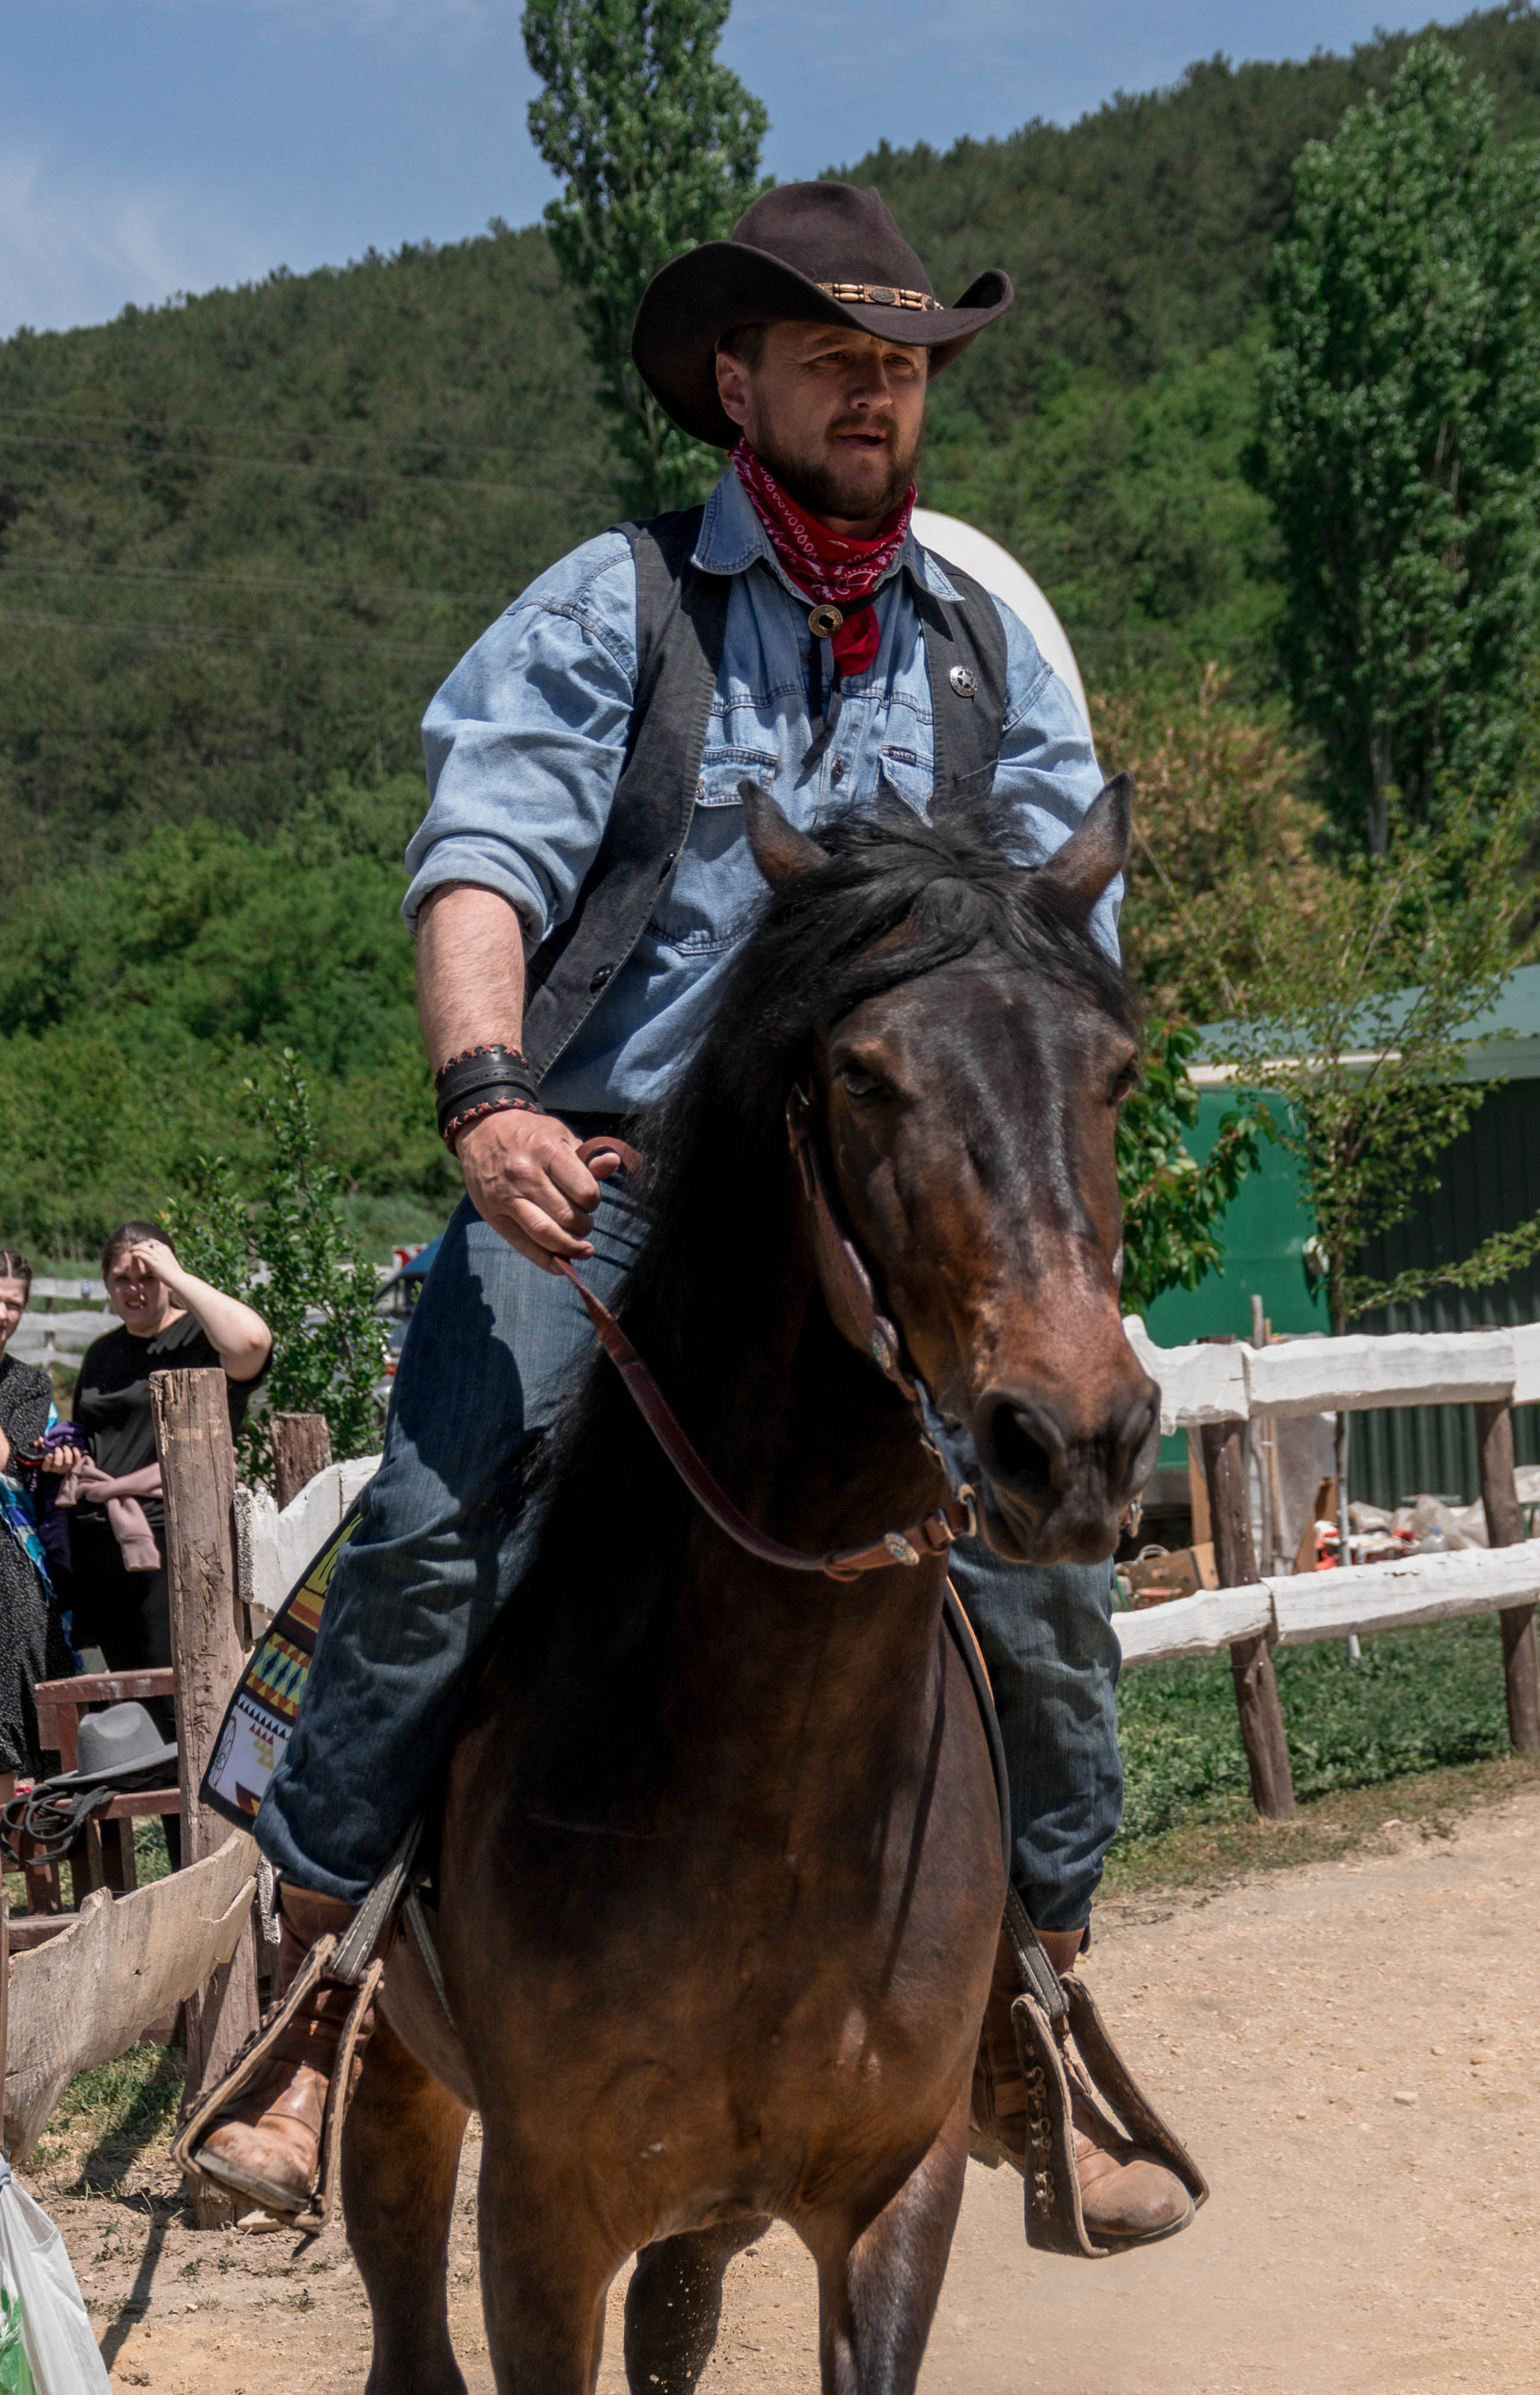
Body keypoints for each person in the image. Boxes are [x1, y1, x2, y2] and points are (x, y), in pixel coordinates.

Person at [203, 181, 1191, 2250]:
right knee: (438, 1514)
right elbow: (481, 857)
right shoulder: (615, 612)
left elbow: (1050, 928)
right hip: (620, 1191)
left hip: (890, 1197)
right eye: (834, 356)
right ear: (736, 383)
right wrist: (486, 1101)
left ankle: (1035, 1998)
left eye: (901, 361)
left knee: (1056, 1525)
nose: (875, 392)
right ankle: (311, 1979)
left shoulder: (981, 635)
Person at [56, 1226, 271, 1689]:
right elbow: (86, 1433)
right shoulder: (102, 1352)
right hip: (103, 1539)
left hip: (178, 1534)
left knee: (181, 1682)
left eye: (148, 1277)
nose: (135, 1289)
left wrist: (176, 1275)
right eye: (122, 1278)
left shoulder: (203, 1339)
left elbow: (253, 1344)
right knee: (123, 1685)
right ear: (106, 1283)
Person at [0, 1249, 76, 1800]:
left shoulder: (26, 1384)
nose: (5, 1314)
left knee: (13, 1704)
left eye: (15, 1304)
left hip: (9, 1558)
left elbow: (8, 1459)